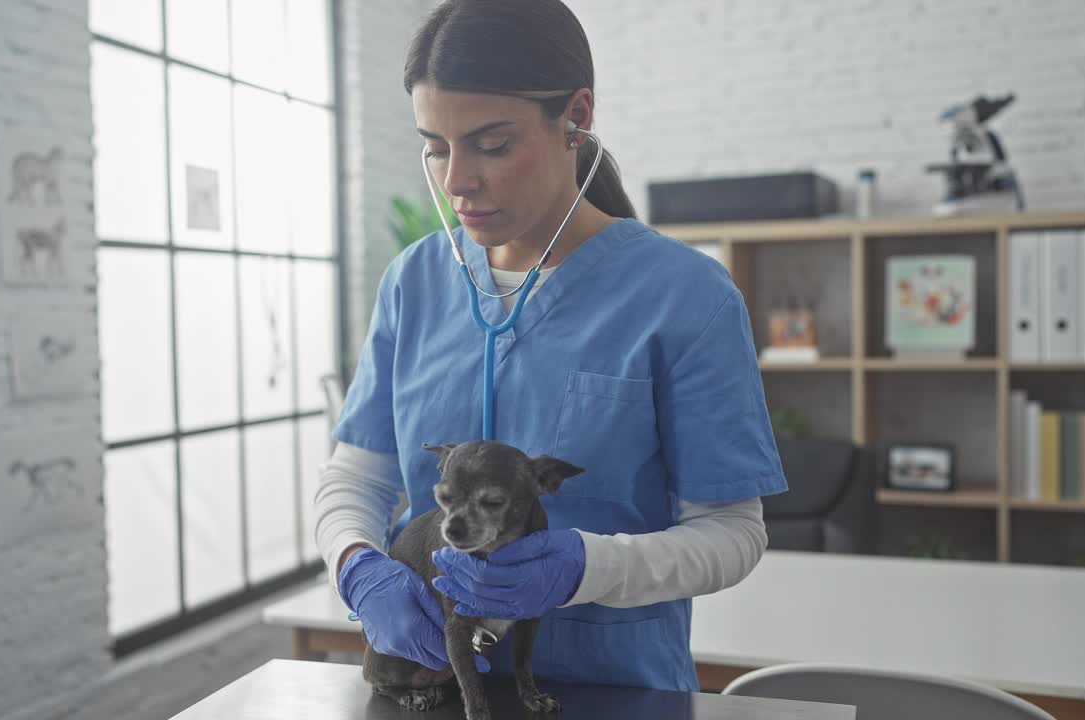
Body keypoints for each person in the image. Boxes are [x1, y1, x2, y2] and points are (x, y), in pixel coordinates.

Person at [314, 0, 787, 693]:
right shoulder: (413, 282)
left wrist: (583, 567)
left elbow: (732, 534)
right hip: (436, 686)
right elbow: (355, 477)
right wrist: (357, 566)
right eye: (436, 146)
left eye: (491, 144)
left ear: (577, 117)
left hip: (620, 694)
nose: (457, 182)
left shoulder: (687, 297)